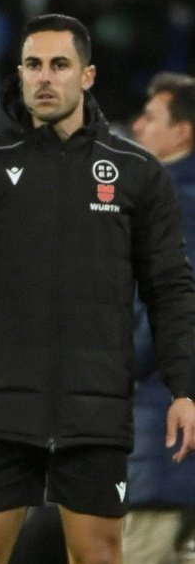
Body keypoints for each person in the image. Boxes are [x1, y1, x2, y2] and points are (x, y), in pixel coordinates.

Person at [0, 14, 195, 564]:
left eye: (59, 65)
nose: (45, 77)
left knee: (99, 558)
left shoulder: (136, 173)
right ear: (18, 73)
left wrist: (185, 388)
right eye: (33, 65)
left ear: (87, 76)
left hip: (95, 410)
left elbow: (171, 288)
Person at [125, 72, 195, 564]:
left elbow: (170, 307)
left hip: (164, 437)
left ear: (183, 131)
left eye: (151, 117)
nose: (137, 126)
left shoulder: (173, 203)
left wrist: (112, 365)